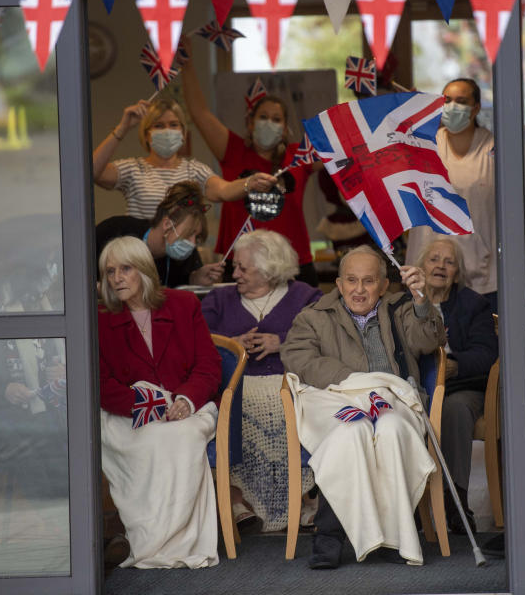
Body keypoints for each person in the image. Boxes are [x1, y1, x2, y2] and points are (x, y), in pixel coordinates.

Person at [281, 246, 445, 568]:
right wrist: (355, 381)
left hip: (390, 401)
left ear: (383, 285)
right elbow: (298, 359)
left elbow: (428, 342)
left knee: (391, 428)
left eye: (368, 281)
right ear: (339, 284)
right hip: (336, 400)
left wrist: (422, 301)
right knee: (351, 431)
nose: (359, 290)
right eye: (352, 281)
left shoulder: (401, 308)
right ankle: (329, 533)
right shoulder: (313, 316)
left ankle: (396, 535)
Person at [97, 236, 222, 569]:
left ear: (144, 270)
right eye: (110, 272)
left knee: (181, 436)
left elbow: (208, 366)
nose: (117, 278)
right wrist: (145, 406)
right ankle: (152, 542)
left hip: (186, 406)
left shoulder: (183, 305)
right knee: (154, 439)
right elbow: (101, 384)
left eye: (125, 269)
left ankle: (177, 541)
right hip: (129, 411)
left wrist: (185, 399)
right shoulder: (99, 318)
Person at [201, 230, 323, 533]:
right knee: (233, 408)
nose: (235, 273)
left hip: (290, 380)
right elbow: (196, 343)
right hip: (237, 384)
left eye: (243, 268)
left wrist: (282, 342)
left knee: (299, 405)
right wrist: (231, 344)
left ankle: (304, 498)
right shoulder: (220, 298)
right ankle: (237, 499)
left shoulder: (306, 297)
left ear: (269, 269)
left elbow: (325, 338)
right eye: (236, 267)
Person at [181, 51, 319, 286]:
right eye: (263, 117)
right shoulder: (233, 150)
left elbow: (340, 153)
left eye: (276, 119)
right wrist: (187, 65)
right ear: (250, 122)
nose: (269, 123)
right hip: (241, 264)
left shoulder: (298, 154)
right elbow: (200, 114)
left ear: (285, 128)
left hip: (292, 263)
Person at [417, 238, 498, 534]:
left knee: (453, 410)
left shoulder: (472, 304)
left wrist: (454, 365)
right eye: (433, 259)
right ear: (421, 267)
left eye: (448, 262)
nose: (440, 266)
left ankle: (455, 503)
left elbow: (487, 355)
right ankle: (410, 507)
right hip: (417, 390)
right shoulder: (403, 304)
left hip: (461, 387)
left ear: (457, 272)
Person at [92, 97, 277, 219]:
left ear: (182, 133)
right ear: (147, 134)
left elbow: (223, 190)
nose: (167, 131)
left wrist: (249, 183)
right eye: (159, 126)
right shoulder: (132, 169)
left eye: (174, 125)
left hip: (181, 261)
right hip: (141, 260)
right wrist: (122, 127)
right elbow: (91, 172)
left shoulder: (194, 170)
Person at [406, 78, 498, 310]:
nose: (452, 106)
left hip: (481, 275)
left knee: (479, 339)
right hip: (428, 277)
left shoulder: (494, 148)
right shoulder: (425, 144)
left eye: (461, 101)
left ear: (476, 107)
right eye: (447, 100)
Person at [95, 181, 223, 288]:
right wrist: (107, 291)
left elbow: (179, 292)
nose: (193, 243)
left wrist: (194, 279)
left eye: (197, 237)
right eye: (189, 234)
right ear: (167, 224)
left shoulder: (187, 257)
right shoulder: (114, 231)